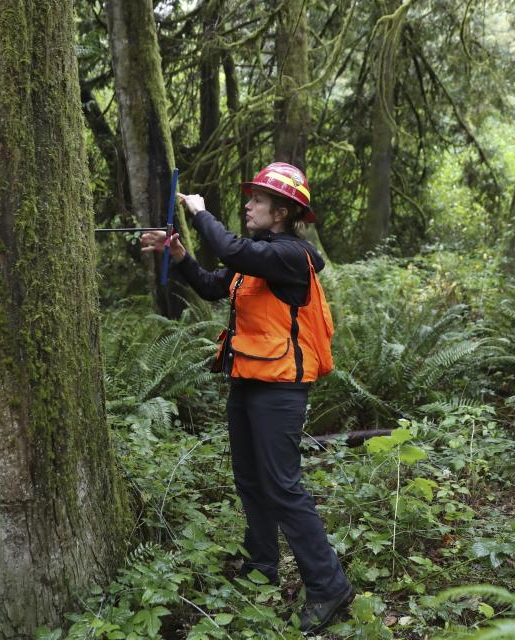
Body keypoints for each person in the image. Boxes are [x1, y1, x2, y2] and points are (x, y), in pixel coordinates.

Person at [141, 162, 354, 633]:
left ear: (280, 211)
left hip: (280, 386)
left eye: (256, 200)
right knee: (250, 480)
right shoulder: (256, 257)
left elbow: (228, 247)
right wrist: (178, 256)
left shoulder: (291, 255)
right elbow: (214, 284)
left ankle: (328, 584)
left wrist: (198, 213)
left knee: (282, 485)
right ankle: (261, 567)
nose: (248, 205)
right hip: (248, 379)